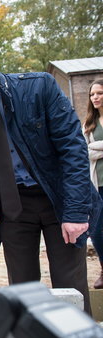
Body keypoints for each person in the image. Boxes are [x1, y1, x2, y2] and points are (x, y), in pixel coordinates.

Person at [0, 25, 100, 314]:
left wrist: (76, 211)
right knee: (23, 290)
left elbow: (73, 149)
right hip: (13, 205)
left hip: (59, 198)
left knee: (69, 288)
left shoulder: (39, 88)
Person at [83, 79, 103, 289]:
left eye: (99, 93)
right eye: (92, 94)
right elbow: (84, 151)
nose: (95, 97)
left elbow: (92, 149)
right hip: (97, 185)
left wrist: (96, 148)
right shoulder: (89, 124)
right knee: (96, 230)